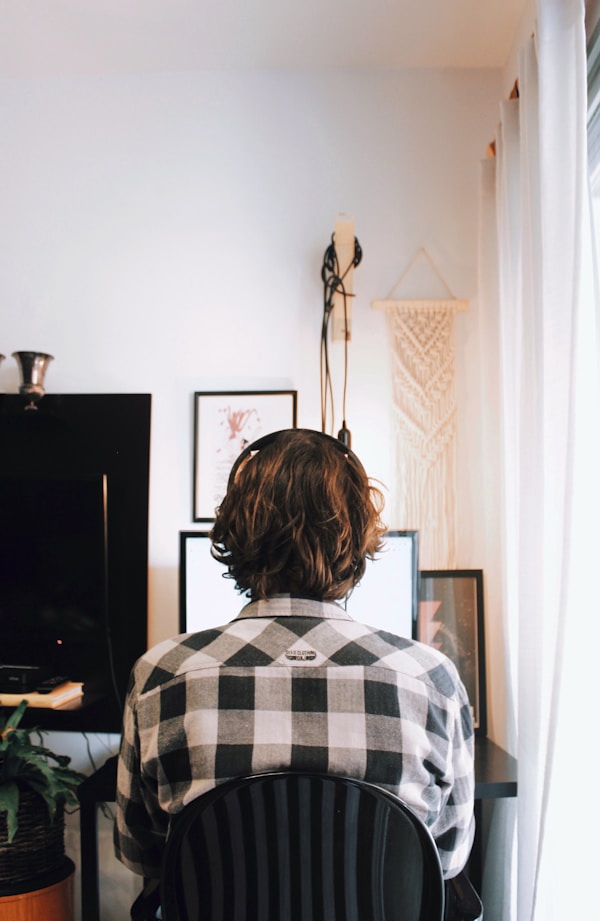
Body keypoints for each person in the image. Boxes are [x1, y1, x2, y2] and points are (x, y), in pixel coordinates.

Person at [114, 428, 475, 917]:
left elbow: (142, 852)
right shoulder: (431, 679)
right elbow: (447, 860)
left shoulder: (161, 674)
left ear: (233, 533)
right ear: (358, 538)